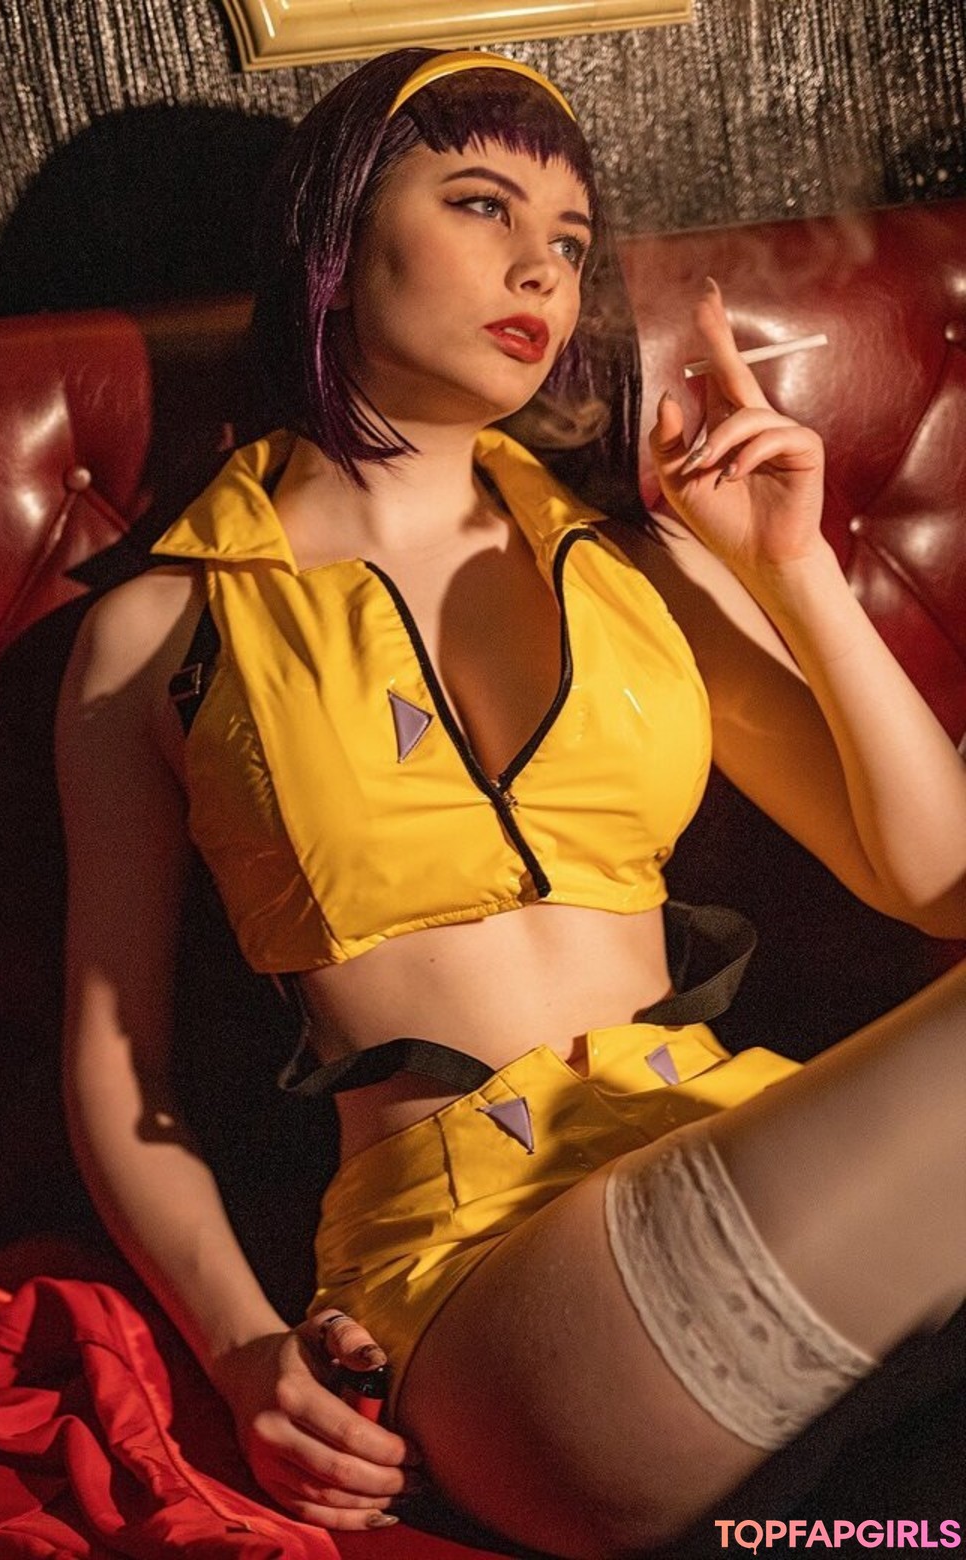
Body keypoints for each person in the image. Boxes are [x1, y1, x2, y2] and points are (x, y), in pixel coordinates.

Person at [55, 46, 966, 1559]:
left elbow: (939, 881)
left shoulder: (638, 566)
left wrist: (797, 571)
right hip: (479, 1281)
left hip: (742, 1167)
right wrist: (240, 1347)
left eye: (570, 239)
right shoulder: (161, 631)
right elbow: (116, 1057)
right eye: (482, 204)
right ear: (338, 239)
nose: (540, 266)